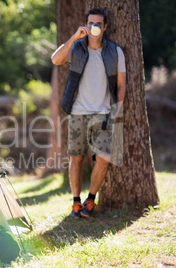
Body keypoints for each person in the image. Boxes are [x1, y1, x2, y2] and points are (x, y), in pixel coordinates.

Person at [51, 8, 126, 218]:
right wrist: (76, 36)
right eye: (91, 23)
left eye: (98, 24)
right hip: (77, 112)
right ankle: (76, 203)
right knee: (76, 158)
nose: (95, 27)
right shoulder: (76, 48)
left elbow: (122, 84)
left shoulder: (115, 52)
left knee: (103, 158)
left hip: (103, 114)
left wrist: (116, 110)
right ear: (86, 25)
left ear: (105, 27)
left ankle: (90, 200)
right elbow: (56, 59)